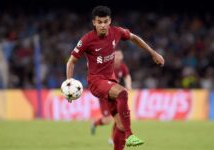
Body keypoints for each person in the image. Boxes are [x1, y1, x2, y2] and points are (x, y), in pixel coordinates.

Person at [66, 5, 164, 149]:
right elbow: (71, 61)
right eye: (99, 22)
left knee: (120, 124)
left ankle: (125, 135)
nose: (103, 25)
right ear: (94, 22)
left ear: (110, 21)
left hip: (110, 81)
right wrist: (69, 83)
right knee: (122, 93)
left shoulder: (117, 32)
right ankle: (130, 135)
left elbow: (134, 38)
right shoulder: (87, 40)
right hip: (96, 82)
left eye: (105, 21)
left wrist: (153, 53)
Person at [91, 50, 132, 146]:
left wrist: (129, 86)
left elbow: (127, 76)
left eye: (120, 55)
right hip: (104, 95)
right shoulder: (108, 65)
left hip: (114, 94)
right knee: (107, 120)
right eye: (116, 55)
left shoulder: (122, 67)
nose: (118, 57)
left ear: (122, 57)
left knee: (119, 117)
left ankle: (112, 138)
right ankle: (95, 124)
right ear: (113, 56)